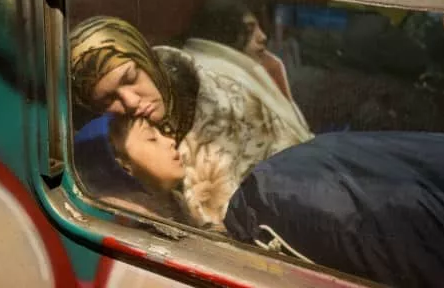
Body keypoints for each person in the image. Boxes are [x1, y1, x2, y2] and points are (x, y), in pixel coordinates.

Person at [70, 16, 314, 227]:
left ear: (145, 58)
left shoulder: (218, 102)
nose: (131, 102)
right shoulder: (113, 143)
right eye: (108, 98)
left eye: (131, 77)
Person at [73, 113, 233, 229]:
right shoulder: (128, 219)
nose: (171, 141)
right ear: (121, 163)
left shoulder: (175, 202)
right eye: (152, 138)